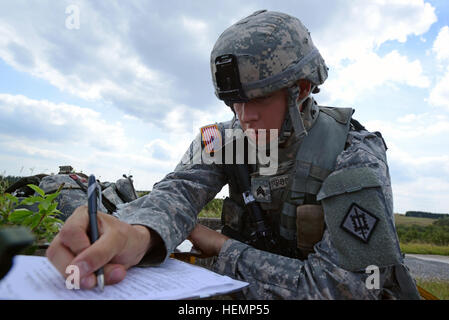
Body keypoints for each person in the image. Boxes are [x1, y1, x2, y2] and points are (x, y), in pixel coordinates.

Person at [46, 10, 421, 299]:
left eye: (257, 100)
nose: (244, 117)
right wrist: (137, 233)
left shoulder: (353, 152)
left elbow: (343, 289)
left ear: (302, 88)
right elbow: (177, 190)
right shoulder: (224, 137)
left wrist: (223, 248)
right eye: (233, 102)